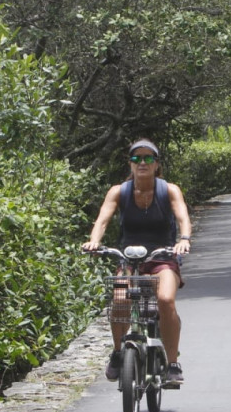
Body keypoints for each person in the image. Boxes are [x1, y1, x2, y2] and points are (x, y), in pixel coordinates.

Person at [82, 139, 192, 387]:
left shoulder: (169, 190)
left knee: (165, 300)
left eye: (148, 158)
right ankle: (118, 352)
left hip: (162, 258)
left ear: (157, 164)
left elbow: (183, 218)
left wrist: (183, 240)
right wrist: (94, 241)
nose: (142, 163)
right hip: (128, 259)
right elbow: (102, 221)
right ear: (130, 164)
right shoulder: (118, 192)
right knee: (120, 300)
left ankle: (173, 364)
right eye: (136, 158)